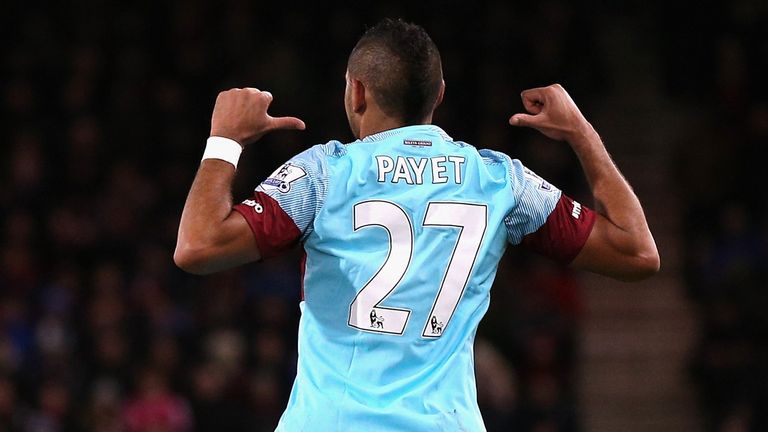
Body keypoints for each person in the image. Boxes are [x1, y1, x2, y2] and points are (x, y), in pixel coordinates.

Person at [174, 18, 659, 432]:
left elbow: (197, 247)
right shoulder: (498, 180)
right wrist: (581, 131)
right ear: (440, 94)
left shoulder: (325, 174)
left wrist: (225, 140)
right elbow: (636, 254)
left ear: (357, 91)